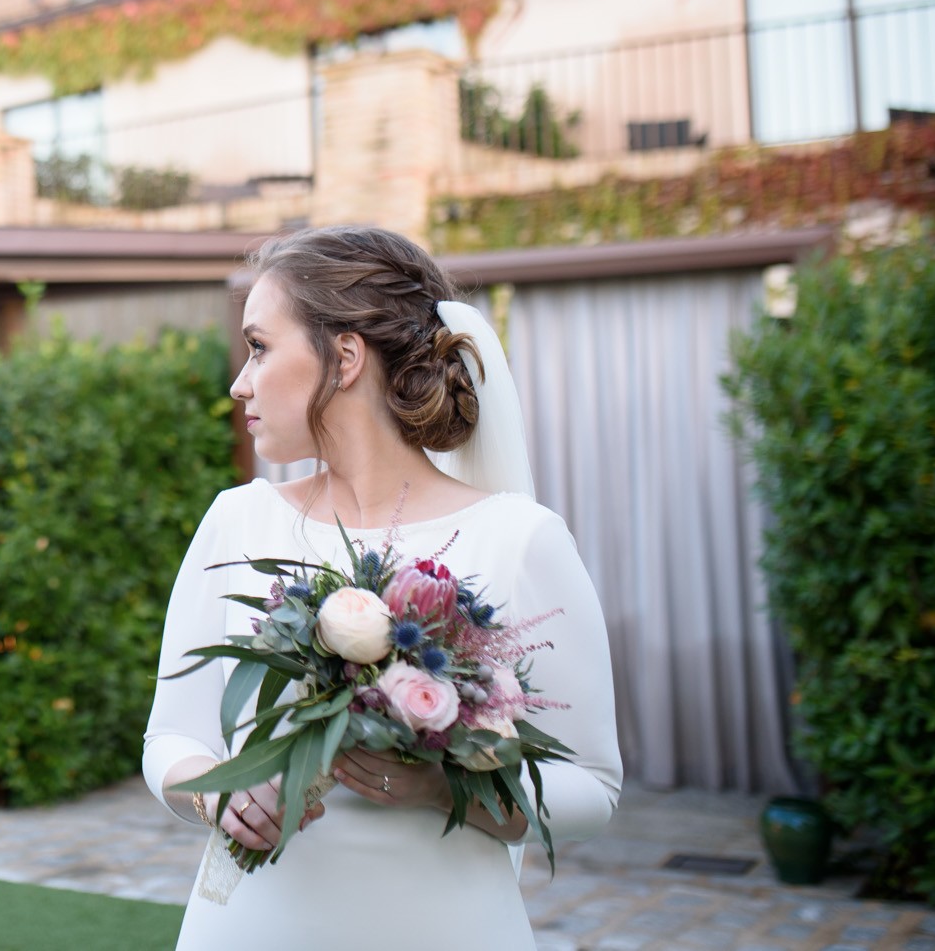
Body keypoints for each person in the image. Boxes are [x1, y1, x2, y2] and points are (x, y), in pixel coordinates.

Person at [143, 226, 621, 950]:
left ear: (344, 356)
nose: (240, 382)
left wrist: (440, 787)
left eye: (260, 347)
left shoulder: (520, 538)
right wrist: (218, 793)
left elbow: (593, 786)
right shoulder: (236, 519)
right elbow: (172, 736)